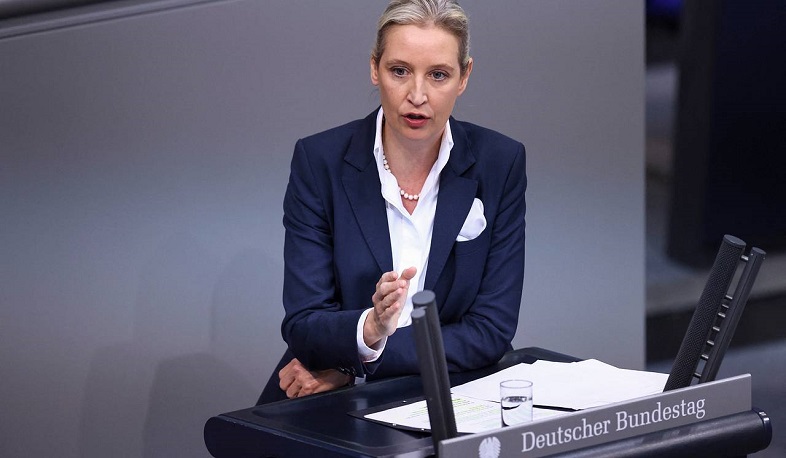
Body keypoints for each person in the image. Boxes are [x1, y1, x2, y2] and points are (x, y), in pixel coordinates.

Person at [258, 0, 527, 404]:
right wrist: (368, 329)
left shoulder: (500, 163)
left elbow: (490, 330)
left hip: (444, 386)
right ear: (375, 68)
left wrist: (359, 359)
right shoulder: (320, 161)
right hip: (324, 394)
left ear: (464, 76)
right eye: (399, 71)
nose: (417, 95)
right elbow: (305, 323)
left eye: (438, 75)